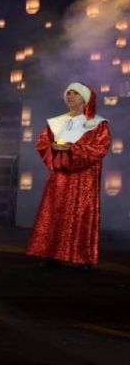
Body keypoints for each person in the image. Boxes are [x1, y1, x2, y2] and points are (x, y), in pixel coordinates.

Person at [27, 82, 110, 268]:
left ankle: (82, 256)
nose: (70, 96)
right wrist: (54, 148)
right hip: (60, 176)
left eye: (75, 94)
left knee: (81, 213)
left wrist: (72, 150)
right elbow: (42, 144)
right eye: (68, 93)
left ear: (85, 99)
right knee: (55, 210)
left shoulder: (97, 124)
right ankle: (51, 254)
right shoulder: (57, 123)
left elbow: (99, 148)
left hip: (83, 177)